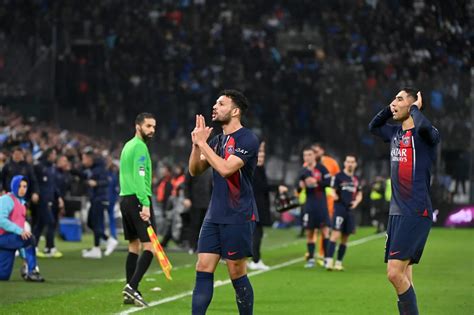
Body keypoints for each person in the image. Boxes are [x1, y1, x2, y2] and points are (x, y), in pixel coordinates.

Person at [369, 88, 440, 315]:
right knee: (405, 274)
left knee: (394, 273)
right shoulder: (394, 133)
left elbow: (425, 127)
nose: (393, 103)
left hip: (415, 211)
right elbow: (373, 126)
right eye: (393, 99)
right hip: (396, 212)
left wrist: (414, 108)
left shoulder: (425, 136)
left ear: (413, 105)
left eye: (399, 99)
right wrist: (391, 109)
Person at [189, 89, 259, 315]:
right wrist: (196, 144)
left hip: (238, 214)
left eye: (221, 104)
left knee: (236, 272)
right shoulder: (218, 140)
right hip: (214, 214)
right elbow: (194, 170)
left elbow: (226, 168)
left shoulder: (247, 138)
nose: (215, 107)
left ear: (235, 111)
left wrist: (204, 144)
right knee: (203, 267)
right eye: (215, 103)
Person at [119, 112, 157, 307]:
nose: (152, 130)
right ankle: (132, 287)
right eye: (148, 126)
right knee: (150, 247)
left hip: (125, 198)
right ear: (138, 126)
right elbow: (139, 176)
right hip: (138, 199)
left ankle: (128, 291)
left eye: (153, 127)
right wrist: (146, 204)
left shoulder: (127, 146)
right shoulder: (140, 148)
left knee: (134, 246)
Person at [0, 175, 44, 282]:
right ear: (13, 186)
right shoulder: (6, 199)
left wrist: (25, 257)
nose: (22, 189)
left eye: (25, 186)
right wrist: (20, 231)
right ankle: (32, 271)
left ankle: (29, 267)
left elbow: (20, 236)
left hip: (8, 242)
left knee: (3, 276)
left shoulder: (23, 204)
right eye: (19, 186)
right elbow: (1, 220)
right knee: (30, 238)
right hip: (2, 238)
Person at [325, 154, 362, 271]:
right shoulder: (338, 176)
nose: (350, 164)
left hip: (350, 210)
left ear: (355, 164)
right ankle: (329, 261)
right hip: (340, 208)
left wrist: (356, 202)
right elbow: (331, 189)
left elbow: (360, 193)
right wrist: (334, 195)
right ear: (345, 163)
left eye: (352, 162)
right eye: (348, 162)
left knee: (345, 237)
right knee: (335, 234)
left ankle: (339, 263)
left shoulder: (356, 179)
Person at [299, 147, 331, 268]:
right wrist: (301, 185)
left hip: (321, 204)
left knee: (325, 231)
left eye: (309, 154)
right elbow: (299, 186)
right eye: (305, 155)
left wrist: (317, 182)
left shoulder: (321, 168)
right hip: (309, 205)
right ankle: (311, 258)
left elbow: (329, 182)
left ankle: (327, 259)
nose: (307, 157)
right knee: (309, 232)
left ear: (314, 156)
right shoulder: (303, 171)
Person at [81, 151, 117, 259]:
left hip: (100, 199)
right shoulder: (95, 168)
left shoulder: (101, 169)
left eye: (84, 159)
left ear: (89, 158)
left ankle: (107, 241)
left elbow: (106, 182)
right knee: (91, 223)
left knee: (95, 223)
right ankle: (99, 246)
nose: (83, 161)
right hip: (96, 198)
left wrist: (96, 183)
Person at [311, 143, 340, 265]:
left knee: (325, 226)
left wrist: (336, 192)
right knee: (312, 228)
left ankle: (323, 253)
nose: (315, 154)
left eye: (316, 151)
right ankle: (311, 254)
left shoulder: (331, 162)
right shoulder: (309, 164)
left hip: (328, 199)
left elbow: (337, 178)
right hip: (312, 199)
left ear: (322, 151)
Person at [33, 148, 64, 258]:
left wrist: (59, 197)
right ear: (49, 155)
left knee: (40, 225)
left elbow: (54, 185)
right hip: (42, 199)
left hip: (50, 199)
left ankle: (34, 247)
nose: (55, 156)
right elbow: (34, 181)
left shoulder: (52, 168)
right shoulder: (39, 166)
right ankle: (50, 248)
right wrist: (35, 193)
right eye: (54, 154)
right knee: (50, 222)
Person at [248, 141, 271, 271]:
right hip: (254, 206)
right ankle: (255, 260)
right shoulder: (254, 170)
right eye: (259, 157)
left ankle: (256, 259)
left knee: (257, 233)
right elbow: (262, 187)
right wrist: (277, 187)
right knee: (256, 234)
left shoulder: (260, 169)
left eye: (262, 157)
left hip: (259, 206)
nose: (261, 159)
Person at [184, 167, 212, 254]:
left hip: (208, 203)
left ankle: (203, 247)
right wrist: (187, 198)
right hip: (195, 202)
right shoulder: (194, 167)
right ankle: (192, 246)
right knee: (194, 225)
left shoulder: (211, 169)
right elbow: (186, 184)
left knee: (206, 226)